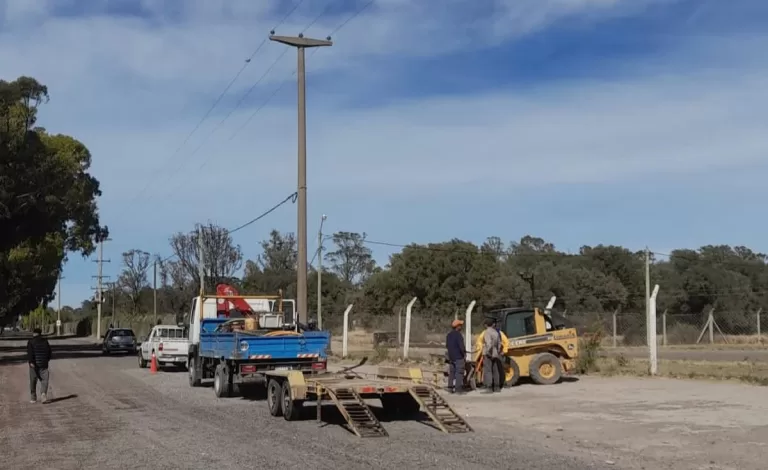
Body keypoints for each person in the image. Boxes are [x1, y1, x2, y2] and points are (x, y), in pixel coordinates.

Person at [27, 328, 52, 404]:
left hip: (34, 365)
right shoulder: (45, 341)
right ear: (40, 333)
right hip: (43, 364)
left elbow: (30, 353)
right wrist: (46, 360)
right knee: (45, 380)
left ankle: (33, 397)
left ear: (34, 333)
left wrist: (31, 362)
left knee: (33, 381)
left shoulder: (30, 342)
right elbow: (49, 352)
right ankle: (43, 393)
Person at [445, 319, 466, 394]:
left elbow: (447, 346)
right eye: (460, 325)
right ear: (457, 327)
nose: (461, 326)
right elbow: (461, 347)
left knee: (452, 373)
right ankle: (458, 389)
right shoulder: (458, 335)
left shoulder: (449, 335)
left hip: (451, 357)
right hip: (459, 357)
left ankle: (450, 388)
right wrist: (464, 354)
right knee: (459, 373)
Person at [481, 318, 502, 393]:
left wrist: (487, 352)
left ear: (486, 325)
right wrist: (497, 352)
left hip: (488, 354)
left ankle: (489, 387)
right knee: (495, 370)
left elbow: (488, 344)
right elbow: (499, 344)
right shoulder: (496, 332)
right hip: (495, 354)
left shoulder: (487, 332)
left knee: (488, 371)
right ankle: (497, 387)